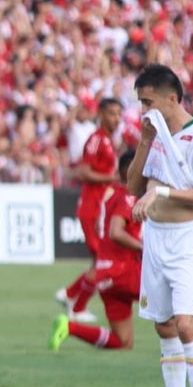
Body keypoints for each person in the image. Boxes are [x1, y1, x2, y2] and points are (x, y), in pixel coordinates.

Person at [127, 65, 193, 387]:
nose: (142, 109)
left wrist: (162, 192)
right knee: (164, 324)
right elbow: (134, 184)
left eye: (148, 101)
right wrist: (144, 142)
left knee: (186, 323)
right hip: (155, 238)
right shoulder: (155, 135)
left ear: (171, 98)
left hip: (185, 239)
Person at [49, 151, 140, 351]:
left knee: (123, 342)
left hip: (106, 277)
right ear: (131, 170)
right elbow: (116, 232)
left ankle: (69, 327)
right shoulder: (128, 197)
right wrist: (143, 247)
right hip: (125, 273)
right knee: (175, 292)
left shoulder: (113, 194)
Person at [56, 98, 123, 323]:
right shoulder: (95, 140)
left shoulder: (108, 140)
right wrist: (112, 178)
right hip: (92, 208)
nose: (117, 119)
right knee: (104, 261)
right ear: (101, 114)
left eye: (118, 114)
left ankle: (69, 294)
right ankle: (77, 308)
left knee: (99, 261)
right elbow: (83, 172)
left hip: (100, 208)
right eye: (112, 113)